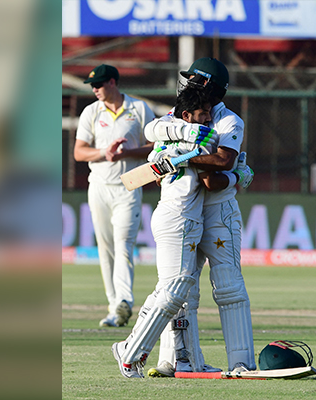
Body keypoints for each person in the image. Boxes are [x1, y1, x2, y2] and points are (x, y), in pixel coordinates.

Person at [144, 58, 256, 375]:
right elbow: (151, 129)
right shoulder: (184, 113)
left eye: (192, 79)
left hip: (218, 210)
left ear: (206, 84)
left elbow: (221, 162)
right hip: (187, 212)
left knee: (229, 287)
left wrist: (180, 159)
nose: (186, 84)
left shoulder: (228, 121)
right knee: (181, 288)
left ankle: (241, 363)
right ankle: (176, 360)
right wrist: (170, 150)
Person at [111, 86, 226, 378]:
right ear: (187, 115)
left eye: (210, 112)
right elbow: (216, 167)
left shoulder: (172, 135)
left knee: (172, 289)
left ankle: (185, 360)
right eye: (203, 113)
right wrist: (236, 172)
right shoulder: (194, 137)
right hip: (178, 216)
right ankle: (130, 351)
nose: (209, 119)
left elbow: (156, 133)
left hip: (180, 215)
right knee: (175, 289)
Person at [74, 64, 155, 327]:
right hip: (98, 185)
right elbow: (79, 152)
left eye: (98, 84)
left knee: (123, 244)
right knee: (105, 247)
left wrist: (126, 153)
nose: (94, 89)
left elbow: (156, 146)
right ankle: (113, 307)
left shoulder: (139, 109)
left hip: (128, 185)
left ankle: (124, 301)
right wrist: (104, 153)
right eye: (92, 86)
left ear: (112, 82)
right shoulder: (91, 112)